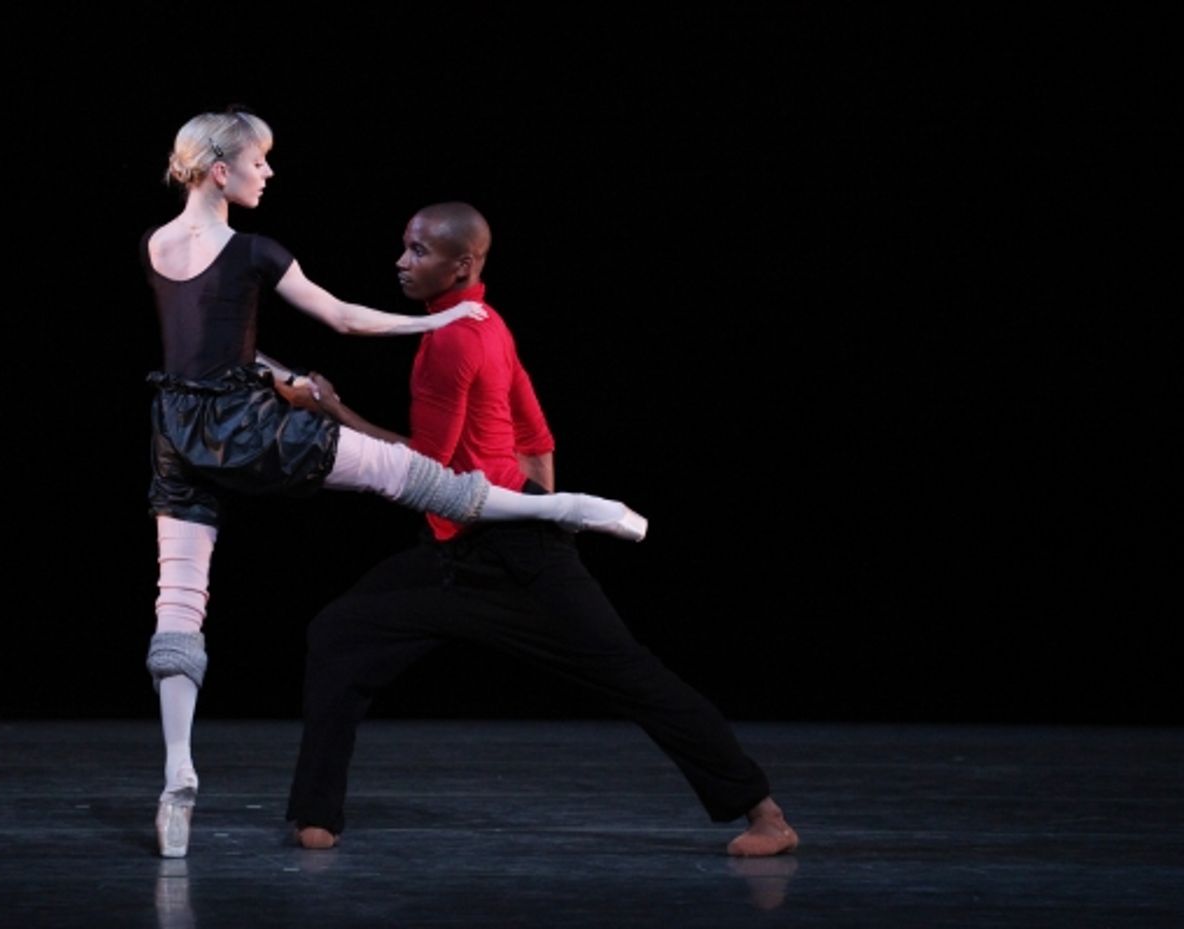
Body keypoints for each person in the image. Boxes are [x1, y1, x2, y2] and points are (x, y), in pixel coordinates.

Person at [139, 111, 646, 859]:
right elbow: (344, 319)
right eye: (259, 161)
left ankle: (177, 778)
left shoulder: (155, 244)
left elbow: (206, 354)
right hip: (249, 430)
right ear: (221, 171)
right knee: (412, 476)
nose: (267, 172)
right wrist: (438, 323)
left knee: (180, 597)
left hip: (176, 431)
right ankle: (578, 506)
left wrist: (268, 371)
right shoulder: (255, 250)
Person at [283, 202, 799, 857]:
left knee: (628, 673)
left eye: (418, 251)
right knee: (340, 633)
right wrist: (541, 510)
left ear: (462, 264)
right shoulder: (488, 323)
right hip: (464, 543)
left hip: (508, 547)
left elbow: (426, 470)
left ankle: (767, 816)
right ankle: (316, 815)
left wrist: (333, 410)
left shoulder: (452, 341)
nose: (401, 262)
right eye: (405, 247)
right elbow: (535, 435)